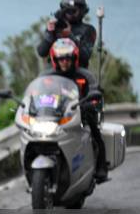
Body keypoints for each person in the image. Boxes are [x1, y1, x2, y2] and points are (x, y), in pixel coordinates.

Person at [42, 38, 108, 182]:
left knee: (95, 132)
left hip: (81, 112)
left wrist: (91, 100)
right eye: (61, 58)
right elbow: (38, 93)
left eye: (68, 58)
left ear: (74, 58)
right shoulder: (48, 76)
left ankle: (101, 166)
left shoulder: (85, 75)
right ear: (55, 59)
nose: (64, 62)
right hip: (55, 114)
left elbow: (94, 90)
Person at [36, 0, 96, 68]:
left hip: (78, 71)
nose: (70, 14)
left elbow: (85, 56)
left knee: (90, 79)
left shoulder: (88, 30)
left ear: (82, 11)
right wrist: (50, 34)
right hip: (54, 72)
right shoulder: (56, 27)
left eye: (73, 11)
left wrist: (70, 36)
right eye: (67, 10)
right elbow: (41, 52)